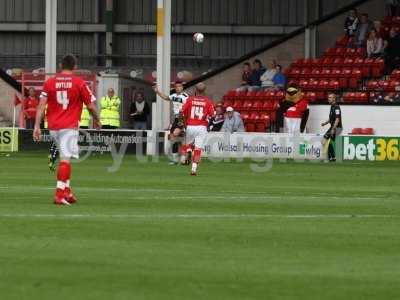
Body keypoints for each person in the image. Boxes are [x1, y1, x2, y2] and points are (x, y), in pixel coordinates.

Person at [33, 54, 101, 205]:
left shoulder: (49, 82)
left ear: (60, 66)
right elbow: (90, 106)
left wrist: (37, 126)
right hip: (69, 127)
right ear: (75, 66)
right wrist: (97, 119)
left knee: (66, 158)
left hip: (53, 127)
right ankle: (59, 194)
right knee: (65, 159)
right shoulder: (79, 83)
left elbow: (41, 105)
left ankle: (67, 191)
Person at [181, 82, 215, 176]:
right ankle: (193, 169)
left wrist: (184, 124)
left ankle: (187, 152)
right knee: (198, 149)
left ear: (195, 90)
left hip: (190, 125)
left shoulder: (190, 100)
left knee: (186, 144)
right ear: (204, 91)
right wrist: (209, 126)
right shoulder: (208, 101)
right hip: (202, 127)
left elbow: (182, 112)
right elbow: (213, 115)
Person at [154, 82, 189, 164]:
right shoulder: (173, 96)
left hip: (182, 118)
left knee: (175, 135)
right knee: (172, 138)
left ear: (182, 88)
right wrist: (157, 91)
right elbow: (166, 97)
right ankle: (176, 158)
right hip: (176, 119)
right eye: (176, 87)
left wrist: (184, 119)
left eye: (179, 86)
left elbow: (188, 107)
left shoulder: (185, 97)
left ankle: (184, 155)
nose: (178, 88)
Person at [321, 93, 343, 162]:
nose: (328, 99)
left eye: (330, 97)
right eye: (328, 97)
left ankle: (331, 157)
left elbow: (337, 119)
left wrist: (333, 129)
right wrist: (325, 123)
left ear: (334, 99)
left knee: (324, 141)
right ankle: (332, 157)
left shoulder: (336, 107)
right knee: (325, 141)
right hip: (334, 127)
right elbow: (331, 118)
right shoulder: (332, 106)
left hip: (336, 127)